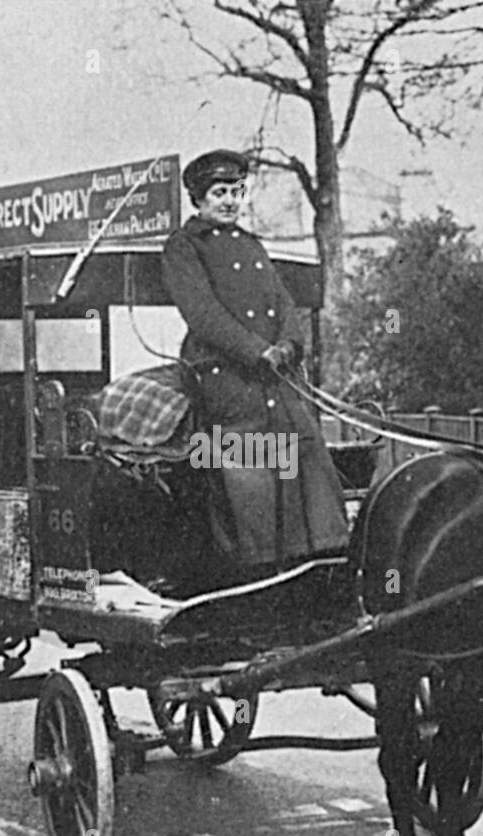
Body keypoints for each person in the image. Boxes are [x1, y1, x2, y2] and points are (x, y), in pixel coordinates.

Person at [161, 149, 349, 572]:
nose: (229, 201)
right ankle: (259, 571)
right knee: (250, 471)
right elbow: (202, 313)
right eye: (219, 192)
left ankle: (321, 560)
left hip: (272, 379)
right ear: (198, 198)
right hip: (226, 380)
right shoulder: (184, 247)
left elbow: (283, 303)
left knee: (307, 452)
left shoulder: (251, 245)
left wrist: (288, 344)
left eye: (236, 191)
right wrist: (255, 351)